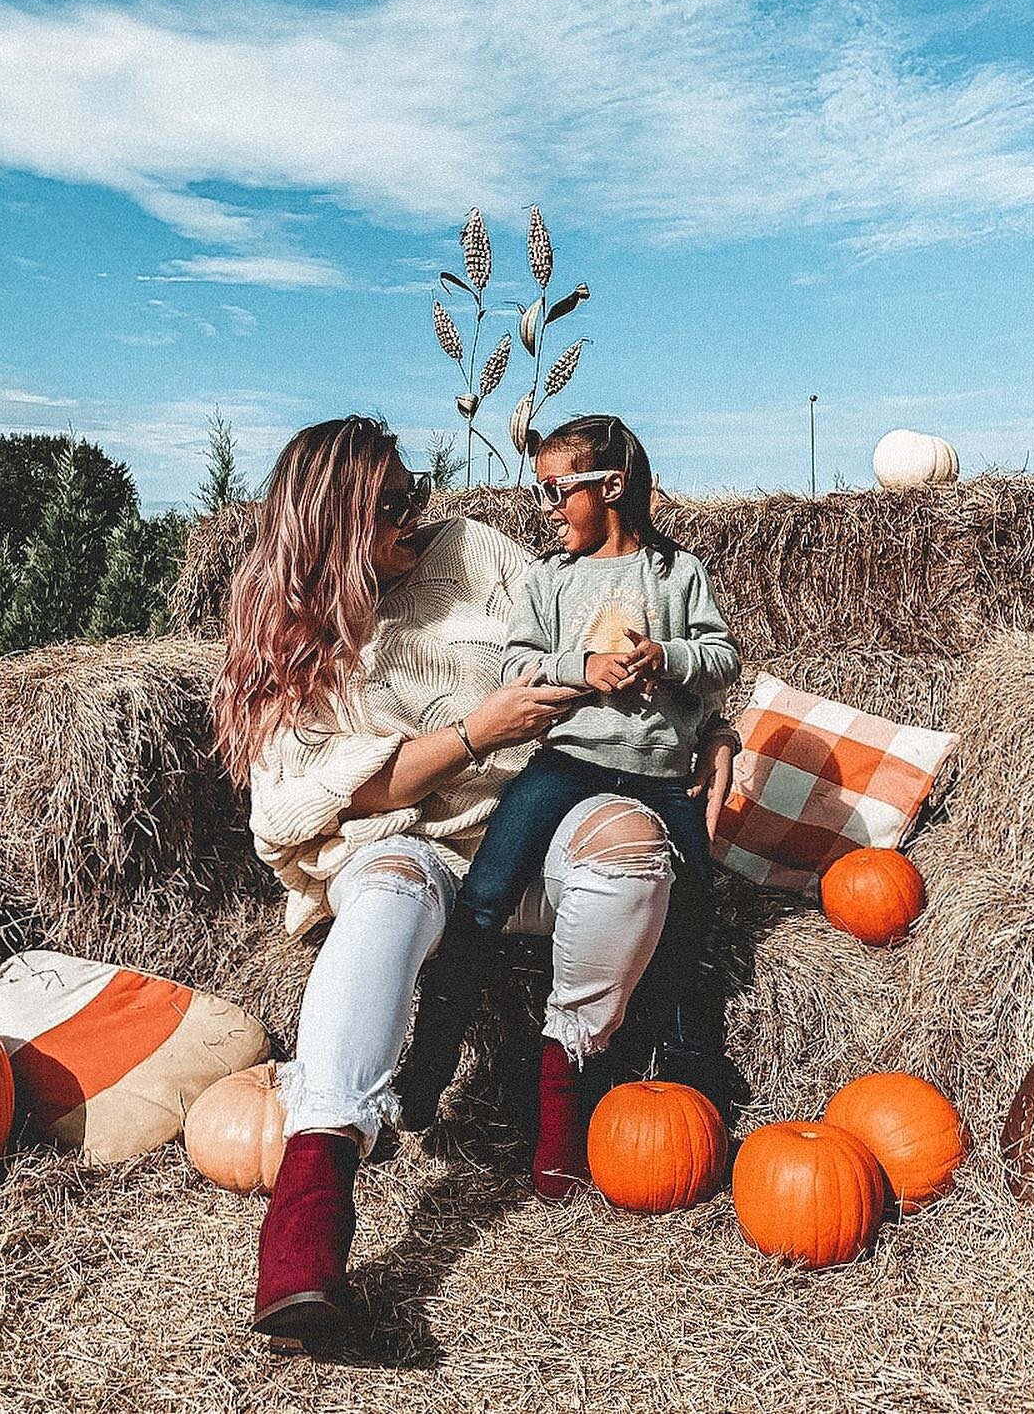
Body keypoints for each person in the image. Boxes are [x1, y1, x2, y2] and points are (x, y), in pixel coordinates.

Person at [211, 415, 736, 1355]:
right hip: (408, 835)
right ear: (332, 528)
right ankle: (309, 1217)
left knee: (632, 856)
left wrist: (707, 726)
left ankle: (566, 1078)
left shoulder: (472, 552)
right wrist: (474, 733)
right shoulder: (303, 642)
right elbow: (312, 798)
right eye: (390, 507)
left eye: (416, 490)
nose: (419, 513)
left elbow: (602, 635)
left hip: (541, 811)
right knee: (378, 898)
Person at [397, 415, 740, 1133]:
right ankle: (426, 1067)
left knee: (694, 908)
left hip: (657, 774)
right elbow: (516, 664)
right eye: (540, 493)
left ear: (611, 486)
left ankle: (687, 1069)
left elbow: (722, 656)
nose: (545, 509)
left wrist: (668, 658)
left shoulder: (676, 573)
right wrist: (579, 667)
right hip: (565, 764)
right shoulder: (552, 579)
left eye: (556, 491)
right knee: (484, 894)